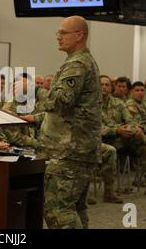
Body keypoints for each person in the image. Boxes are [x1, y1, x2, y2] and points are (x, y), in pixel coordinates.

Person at [37, 16, 101, 229]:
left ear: (79, 35)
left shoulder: (77, 63)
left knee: (58, 210)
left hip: (69, 151)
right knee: (74, 208)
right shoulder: (82, 60)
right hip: (78, 148)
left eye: (63, 32)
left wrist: (34, 89)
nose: (58, 37)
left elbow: (61, 102)